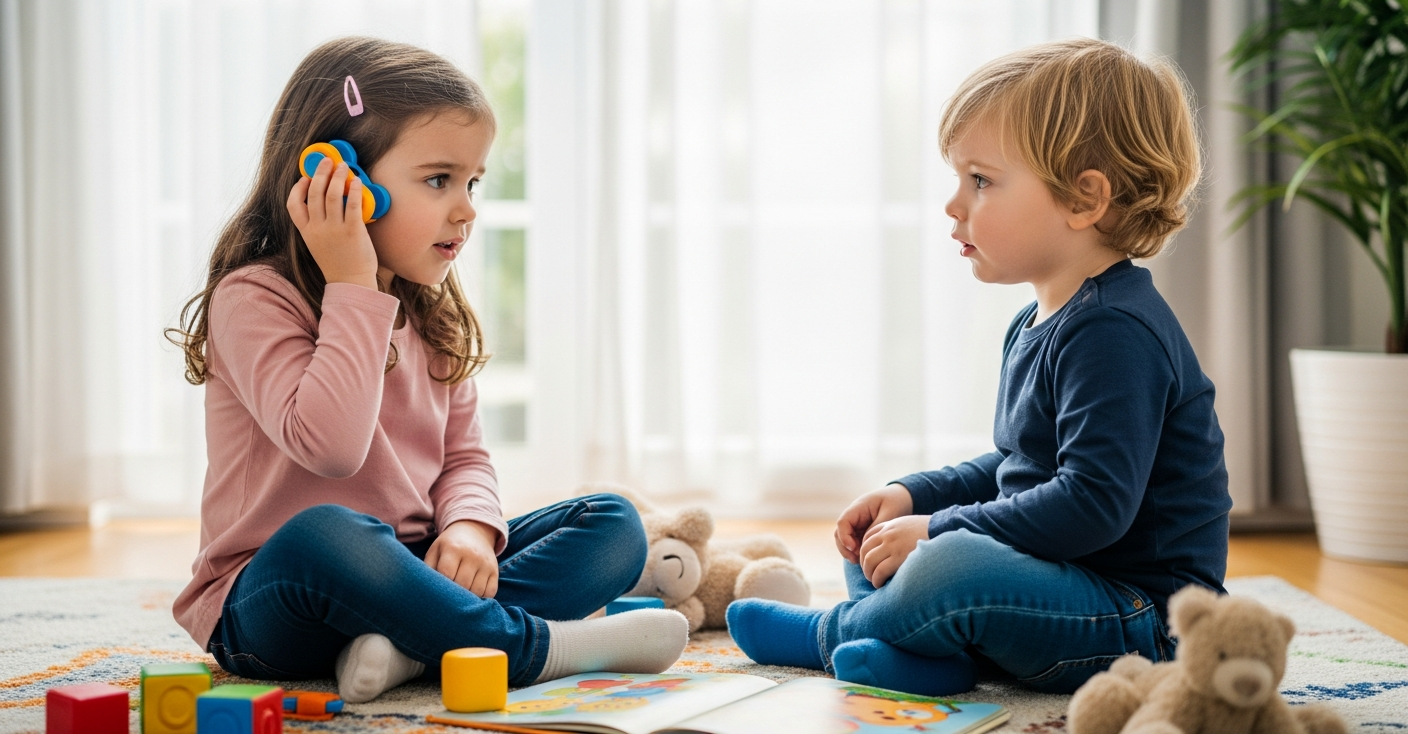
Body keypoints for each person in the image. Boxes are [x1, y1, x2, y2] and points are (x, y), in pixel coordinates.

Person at [168, 37, 687, 704]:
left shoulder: (430, 311)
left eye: (473, 182)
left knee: (612, 522)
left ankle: (414, 647)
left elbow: (463, 458)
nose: (467, 208)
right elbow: (330, 449)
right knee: (326, 533)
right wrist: (353, 283)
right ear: (340, 182)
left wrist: (469, 528)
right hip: (275, 598)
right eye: (439, 180)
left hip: (411, 576)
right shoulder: (255, 298)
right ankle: (530, 648)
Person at [726, 38, 1233, 697]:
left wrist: (938, 529)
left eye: (981, 181)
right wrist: (914, 498)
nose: (953, 204)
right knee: (888, 539)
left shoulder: (1115, 332)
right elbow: (1016, 466)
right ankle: (934, 656)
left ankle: (834, 633)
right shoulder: (1038, 321)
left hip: (1141, 622)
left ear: (1083, 200)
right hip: (1064, 588)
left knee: (952, 564)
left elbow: (1091, 504)